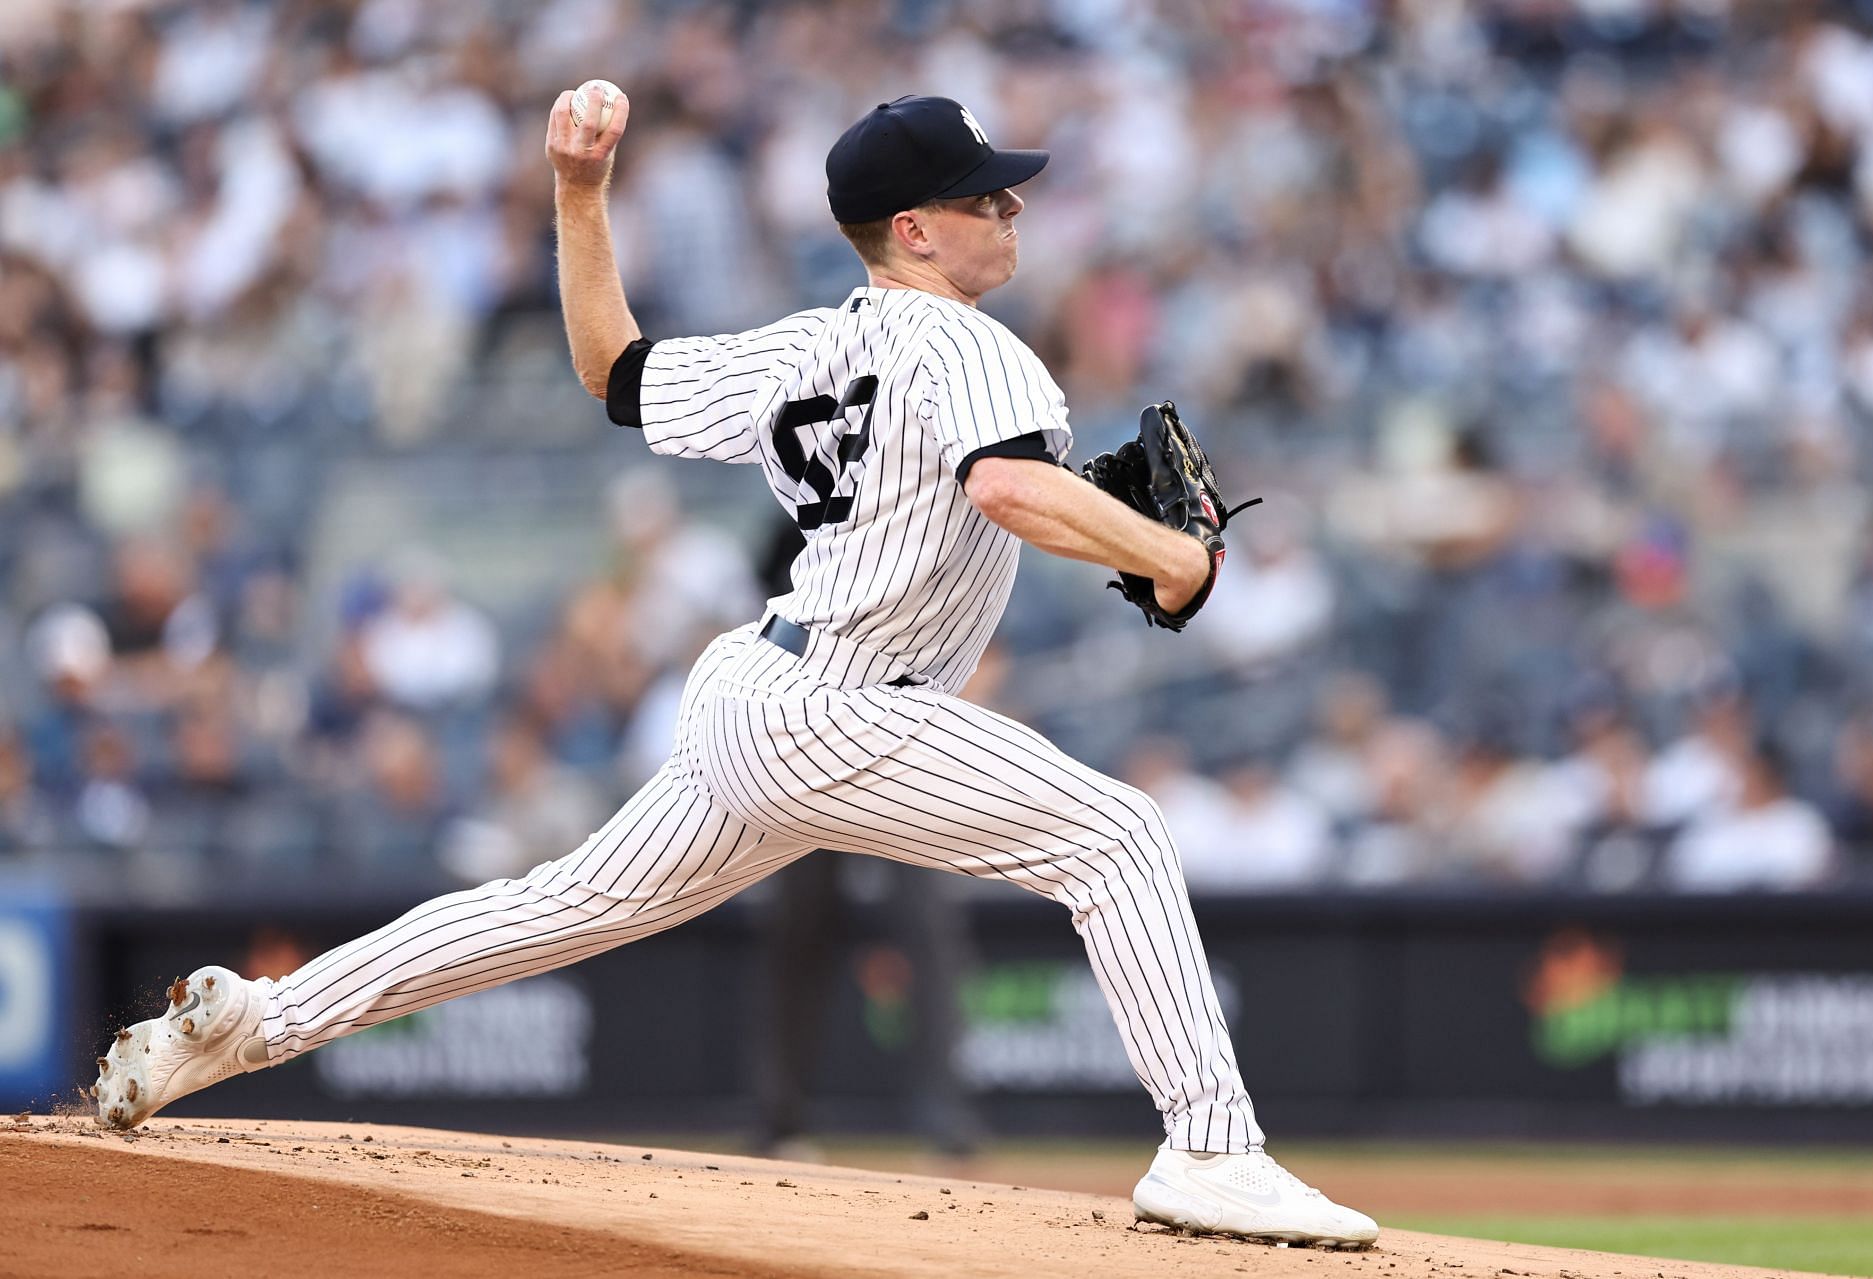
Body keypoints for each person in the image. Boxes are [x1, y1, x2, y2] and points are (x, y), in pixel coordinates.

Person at [91, 89, 1377, 1250]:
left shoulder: (804, 348)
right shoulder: (978, 347)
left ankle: (250, 1025)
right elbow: (1005, 483)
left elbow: (613, 371)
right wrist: (1174, 557)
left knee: (556, 906)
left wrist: (578, 196)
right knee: (1120, 837)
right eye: (986, 193)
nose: (1013, 206)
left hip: (755, 699)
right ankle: (1213, 1149)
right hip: (842, 703)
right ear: (913, 230)